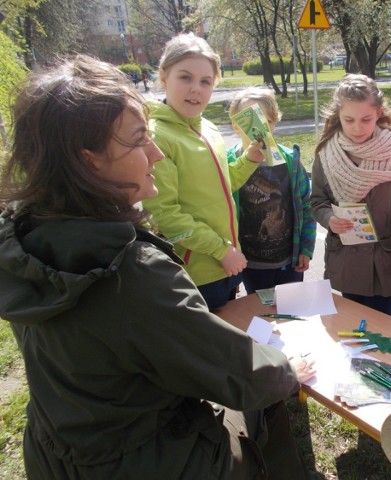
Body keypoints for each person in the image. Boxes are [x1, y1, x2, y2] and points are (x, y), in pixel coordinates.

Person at [0, 54, 319, 480]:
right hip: (159, 460)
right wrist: (288, 371)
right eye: (138, 140)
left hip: (58, 455)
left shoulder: (26, 236)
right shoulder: (131, 273)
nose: (155, 153)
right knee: (269, 396)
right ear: (88, 159)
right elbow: (240, 373)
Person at [142, 33, 264, 310]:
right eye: (185, 77)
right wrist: (221, 250)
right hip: (195, 274)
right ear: (164, 78)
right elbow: (165, 215)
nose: (196, 88)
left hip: (227, 265)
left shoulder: (208, 127)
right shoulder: (156, 136)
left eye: (205, 81)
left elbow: (222, 184)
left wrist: (250, 159)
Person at [310, 74, 391, 316]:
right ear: (337, 115)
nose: (357, 128)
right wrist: (329, 218)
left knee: (382, 331)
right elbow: (317, 201)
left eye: (366, 119)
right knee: (352, 331)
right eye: (349, 120)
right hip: (347, 261)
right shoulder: (327, 154)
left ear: (379, 113)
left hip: (385, 261)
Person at [226, 86, 316, 294]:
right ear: (235, 126)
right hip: (249, 264)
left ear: (275, 123)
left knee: (290, 316)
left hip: (289, 262)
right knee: (259, 316)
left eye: (267, 121)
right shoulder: (227, 162)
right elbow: (219, 211)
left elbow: (306, 205)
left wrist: (306, 247)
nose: (259, 130)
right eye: (250, 121)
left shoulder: (290, 161)